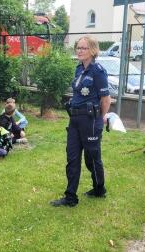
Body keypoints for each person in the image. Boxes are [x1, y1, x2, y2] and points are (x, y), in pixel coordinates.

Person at [50, 36, 111, 207]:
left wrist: (100, 119)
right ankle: (70, 197)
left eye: (83, 48)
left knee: (92, 159)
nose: (79, 50)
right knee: (72, 158)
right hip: (75, 120)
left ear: (92, 50)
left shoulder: (98, 71)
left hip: (90, 121)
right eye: (78, 47)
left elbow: (106, 99)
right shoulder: (79, 69)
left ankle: (99, 188)